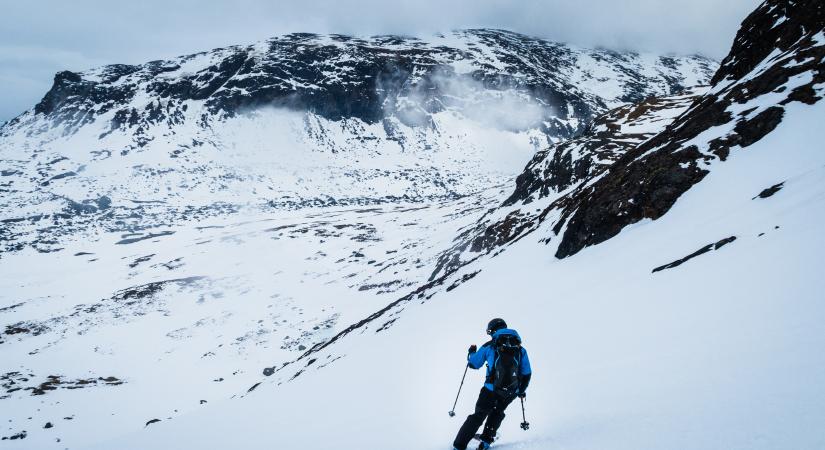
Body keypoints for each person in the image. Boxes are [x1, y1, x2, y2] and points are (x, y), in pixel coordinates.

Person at [453, 318, 532, 450]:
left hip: (490, 389)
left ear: (493, 330)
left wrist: (471, 352)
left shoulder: (490, 345)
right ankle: (485, 442)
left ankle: (459, 446)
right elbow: (527, 373)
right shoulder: (520, 349)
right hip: (511, 391)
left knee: (478, 416)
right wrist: (521, 390)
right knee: (497, 413)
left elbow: (473, 363)